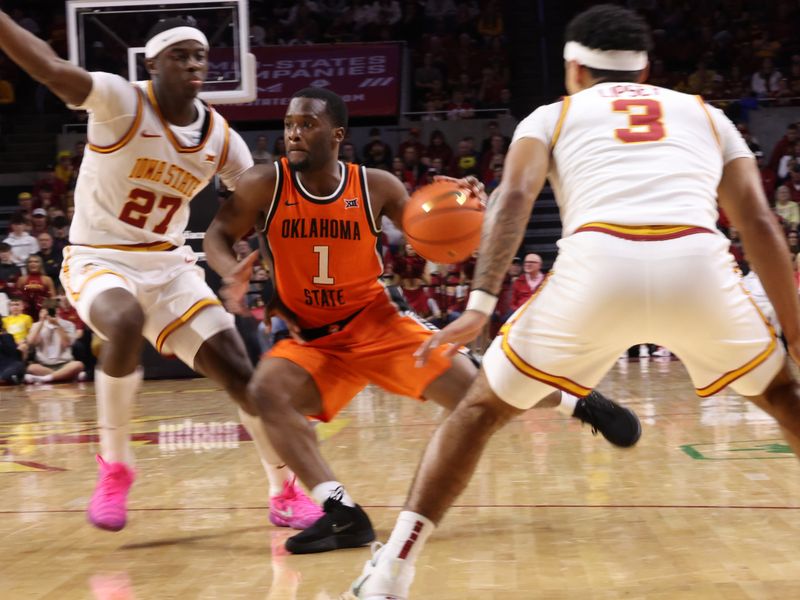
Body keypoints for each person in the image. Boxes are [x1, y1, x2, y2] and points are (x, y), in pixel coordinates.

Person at [345, 5, 800, 598]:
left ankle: (390, 573)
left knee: (478, 413)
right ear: (643, 72)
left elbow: (512, 200)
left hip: (598, 266)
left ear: (573, 68)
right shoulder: (708, 116)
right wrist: (795, 333)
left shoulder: (551, 116)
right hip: (696, 263)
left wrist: (481, 303)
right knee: (785, 395)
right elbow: (760, 224)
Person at [203, 87, 641, 556]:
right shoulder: (262, 184)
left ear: (336, 134)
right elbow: (218, 233)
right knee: (265, 394)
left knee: (479, 398)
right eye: (289, 124)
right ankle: (342, 514)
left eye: (306, 124)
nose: (293, 133)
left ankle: (577, 401)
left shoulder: (377, 185)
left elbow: (431, 233)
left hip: (378, 323)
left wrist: (466, 205)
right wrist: (229, 269)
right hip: (311, 341)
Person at [0, 13, 320, 532]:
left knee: (245, 376)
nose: (194, 64)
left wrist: (264, 263)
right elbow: (49, 65)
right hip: (98, 257)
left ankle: (282, 490)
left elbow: (259, 206)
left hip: (170, 268)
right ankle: (116, 469)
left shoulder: (219, 136)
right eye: (181, 55)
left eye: (201, 56)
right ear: (151, 62)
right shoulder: (119, 100)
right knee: (123, 320)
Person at [24, 305, 85, 384]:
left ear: (57, 311)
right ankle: (66, 376)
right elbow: (31, 342)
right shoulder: (36, 326)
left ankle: (46, 378)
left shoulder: (68, 324)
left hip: (64, 363)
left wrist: (57, 325)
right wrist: (41, 322)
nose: (49, 314)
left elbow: (67, 344)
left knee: (78, 365)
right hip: (44, 365)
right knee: (31, 368)